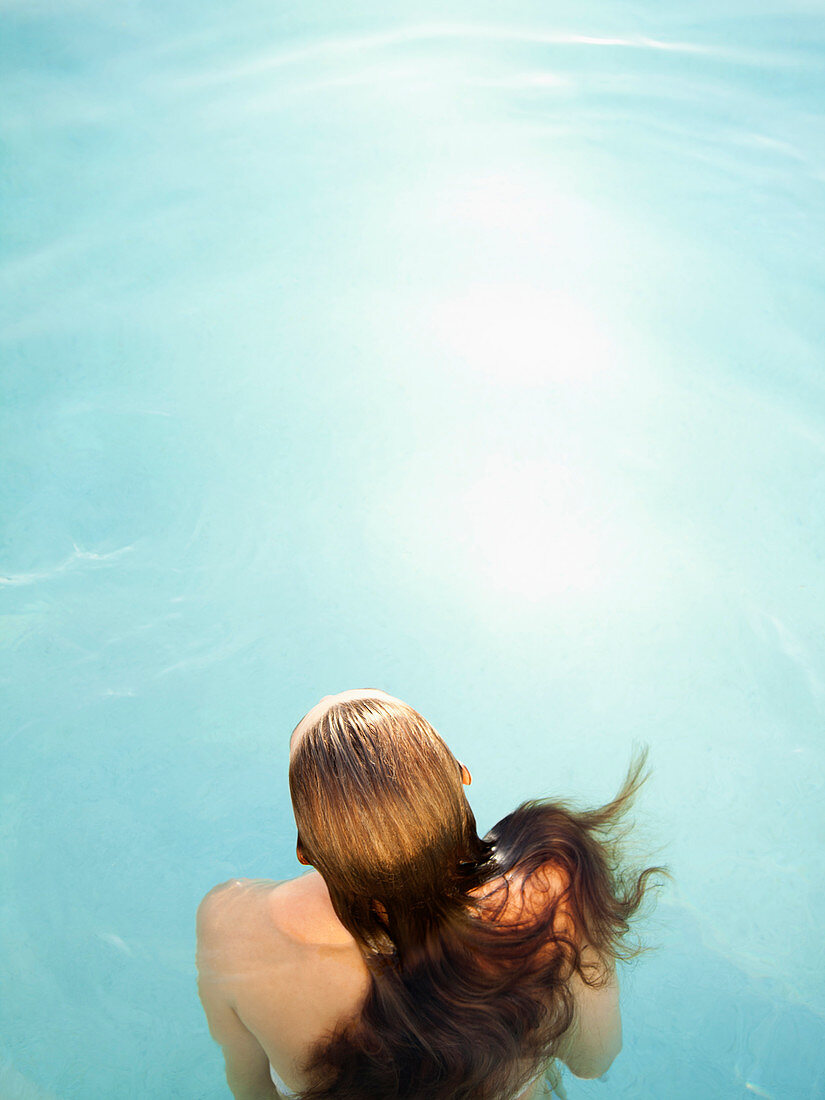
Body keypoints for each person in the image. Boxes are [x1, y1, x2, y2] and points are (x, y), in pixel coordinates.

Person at [197, 689, 663, 1100]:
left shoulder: (232, 927)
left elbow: (251, 1089)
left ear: (306, 850)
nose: (327, 701)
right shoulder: (548, 890)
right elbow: (594, 1060)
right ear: (461, 774)